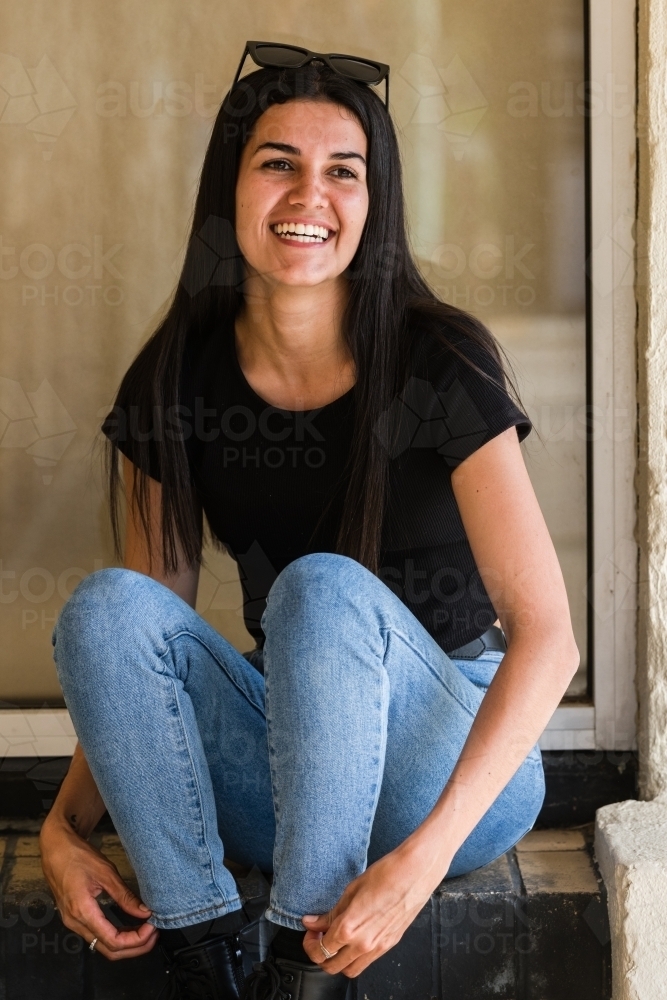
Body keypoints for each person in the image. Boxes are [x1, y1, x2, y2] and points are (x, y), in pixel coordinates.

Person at [39, 44, 579, 1000]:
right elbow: (136, 651)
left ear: (374, 204)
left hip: (449, 772)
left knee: (321, 587)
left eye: (343, 171)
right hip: (292, 776)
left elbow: (548, 642)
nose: (309, 196)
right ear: (231, 188)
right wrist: (66, 826)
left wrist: (416, 867)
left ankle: (303, 975)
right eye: (277, 162)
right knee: (100, 608)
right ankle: (203, 962)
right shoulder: (176, 376)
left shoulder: (437, 359)